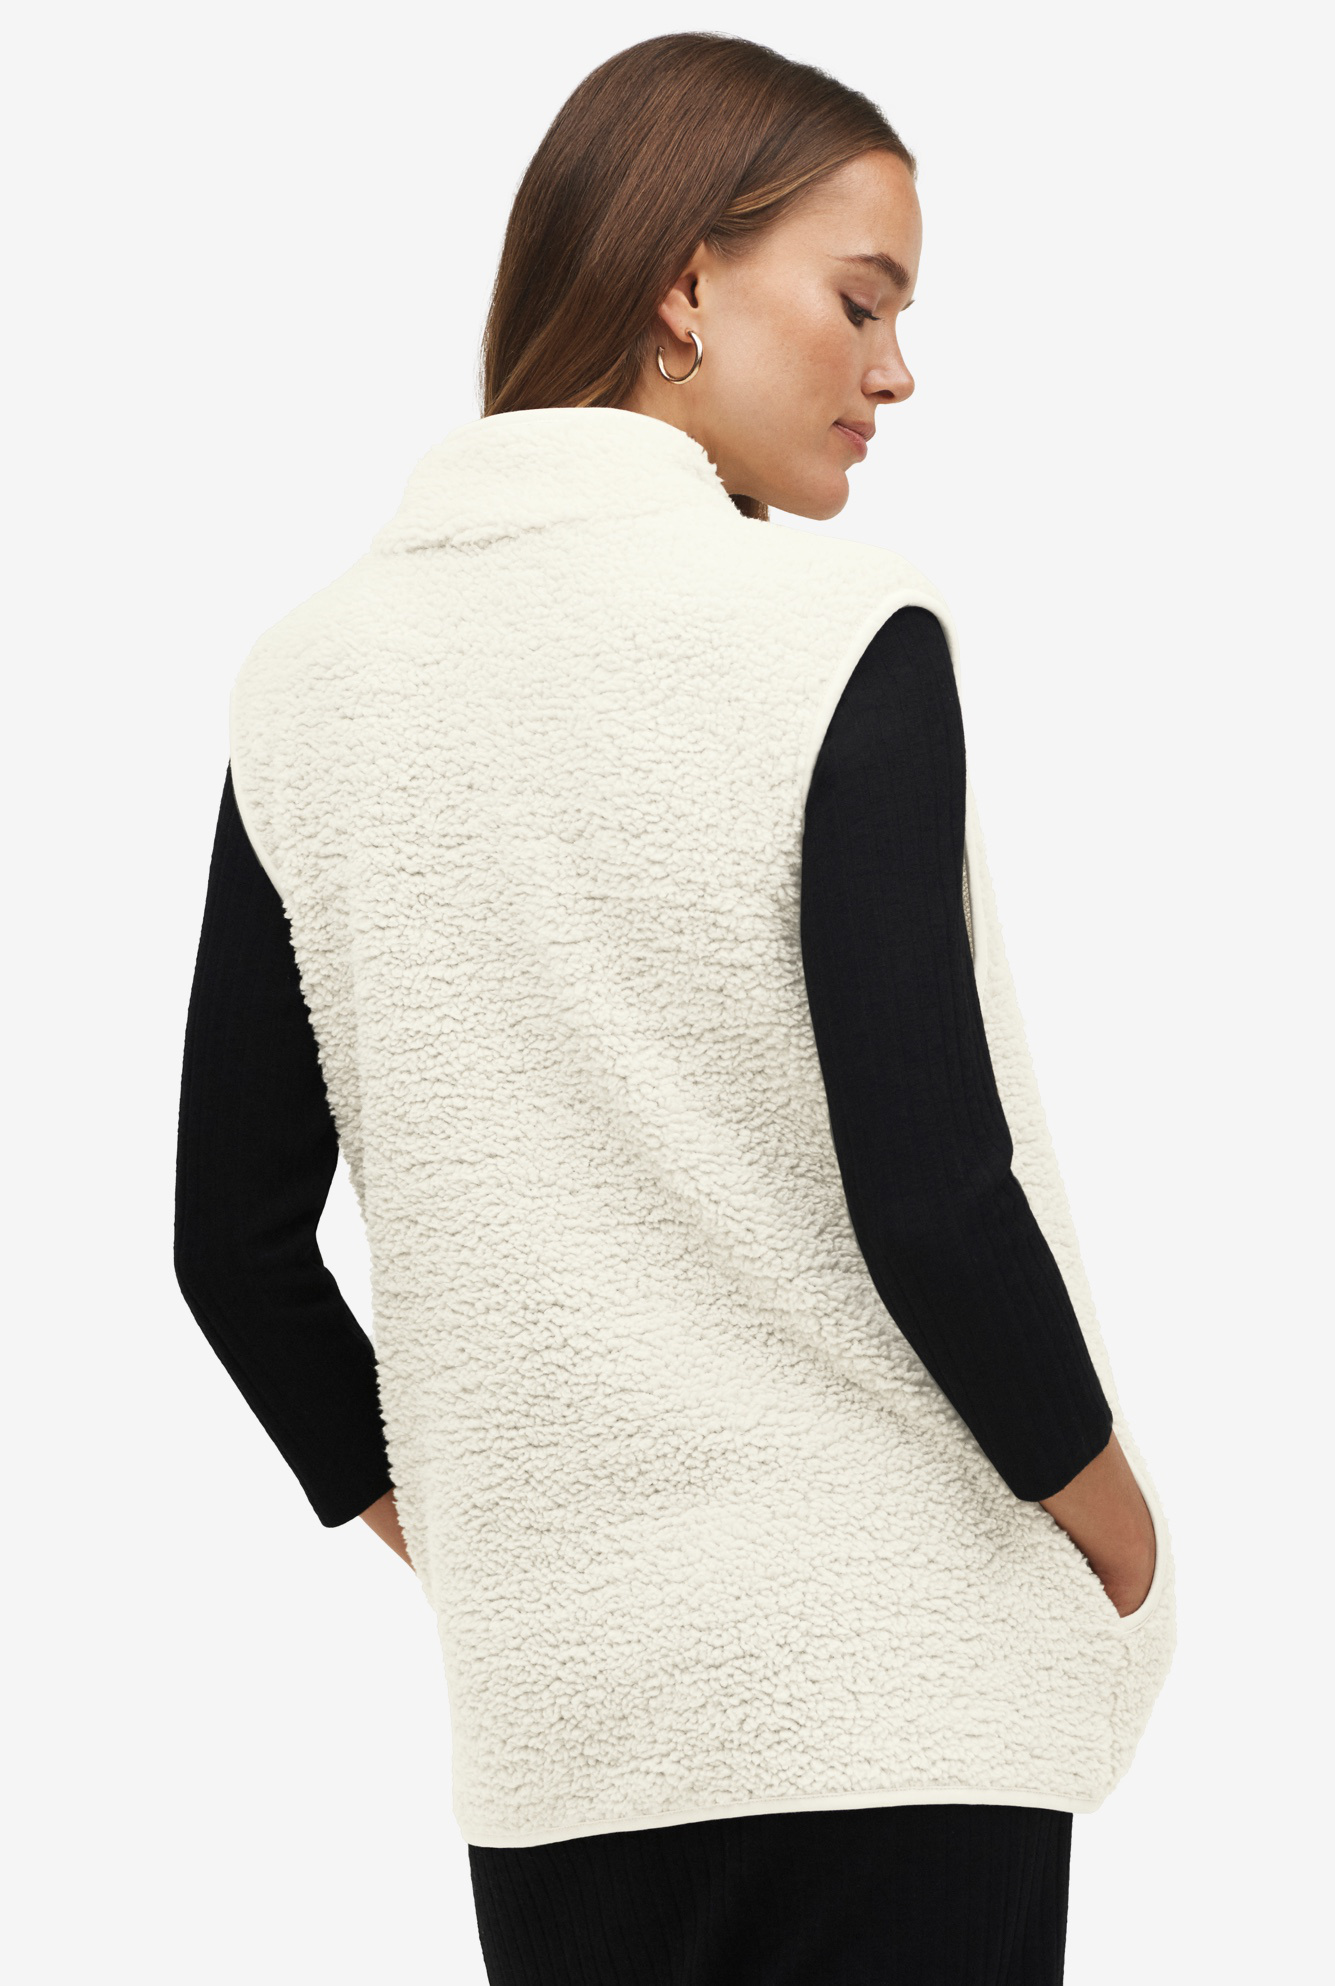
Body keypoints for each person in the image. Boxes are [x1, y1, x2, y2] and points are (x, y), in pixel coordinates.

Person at [174, 31, 1175, 1984]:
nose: (897, 371)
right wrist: (1117, 1528)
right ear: (681, 283)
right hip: (899, 1699)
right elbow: (932, 1192)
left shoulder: (310, 681)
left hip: (568, 1737)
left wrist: (490, 1542)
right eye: (863, 302)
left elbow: (233, 1245)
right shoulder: (837, 632)